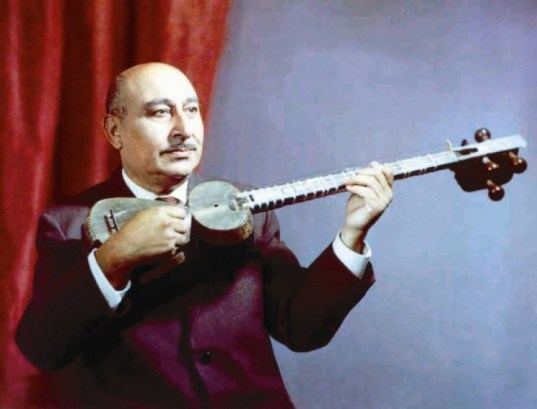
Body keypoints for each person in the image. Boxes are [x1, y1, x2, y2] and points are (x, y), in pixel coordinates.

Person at [16, 62, 394, 408]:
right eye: (160, 112)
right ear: (115, 131)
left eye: (192, 109)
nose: (183, 129)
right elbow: (42, 347)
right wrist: (114, 258)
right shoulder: (67, 224)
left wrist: (352, 236)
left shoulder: (246, 208)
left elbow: (301, 329)